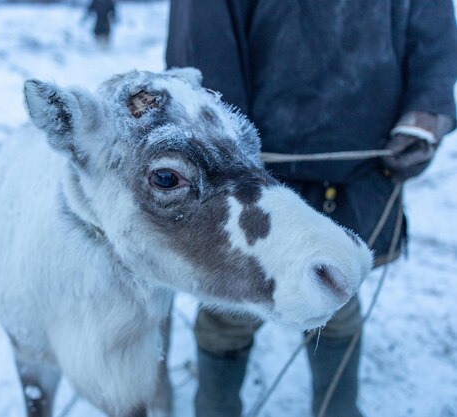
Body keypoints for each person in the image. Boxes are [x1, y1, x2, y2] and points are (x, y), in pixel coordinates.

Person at [166, 1, 457, 416]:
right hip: (252, 173)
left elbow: (431, 23)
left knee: (337, 293)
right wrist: (219, 147)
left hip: (361, 162)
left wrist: (427, 109)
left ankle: (338, 409)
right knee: (230, 309)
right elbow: (202, 38)